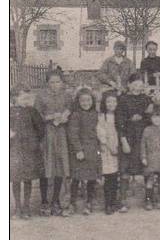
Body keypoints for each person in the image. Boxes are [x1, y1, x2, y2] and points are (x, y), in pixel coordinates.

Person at [35, 69, 73, 216]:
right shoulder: (41, 96)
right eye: (52, 82)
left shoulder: (67, 95)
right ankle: (44, 201)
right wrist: (51, 116)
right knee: (47, 166)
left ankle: (56, 200)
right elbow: (37, 115)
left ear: (62, 83)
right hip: (47, 134)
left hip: (62, 133)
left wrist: (65, 115)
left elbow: (71, 109)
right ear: (47, 83)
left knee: (59, 166)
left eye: (58, 82)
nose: (55, 85)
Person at [115, 73, 153, 212]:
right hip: (129, 138)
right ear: (129, 85)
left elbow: (152, 119)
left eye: (140, 85)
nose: (138, 87)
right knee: (125, 170)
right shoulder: (122, 99)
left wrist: (144, 115)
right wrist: (123, 140)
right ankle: (123, 200)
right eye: (135, 84)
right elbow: (119, 122)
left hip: (143, 138)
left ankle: (149, 199)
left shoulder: (147, 99)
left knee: (146, 169)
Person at [10, 85, 45, 219]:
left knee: (28, 178)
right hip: (15, 150)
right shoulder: (9, 112)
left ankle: (26, 207)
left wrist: (34, 141)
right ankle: (17, 207)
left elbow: (41, 129)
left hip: (30, 150)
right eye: (23, 98)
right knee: (15, 179)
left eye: (28, 98)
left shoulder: (32, 111)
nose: (26, 100)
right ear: (14, 98)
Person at [67, 87, 100, 215]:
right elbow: (72, 134)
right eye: (83, 101)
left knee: (92, 177)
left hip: (92, 149)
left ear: (92, 101)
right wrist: (78, 150)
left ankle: (89, 203)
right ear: (78, 102)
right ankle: (72, 203)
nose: (86, 103)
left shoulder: (95, 114)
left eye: (88, 100)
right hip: (80, 151)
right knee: (76, 177)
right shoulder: (76, 115)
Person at [141, 106, 160, 210]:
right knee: (150, 180)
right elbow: (143, 145)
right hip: (151, 158)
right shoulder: (147, 130)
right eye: (154, 117)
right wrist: (143, 157)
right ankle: (149, 200)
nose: (157, 119)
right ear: (150, 118)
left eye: (159, 117)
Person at [97, 90, 120, 215]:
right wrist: (108, 145)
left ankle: (114, 201)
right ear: (104, 103)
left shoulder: (119, 115)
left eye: (114, 101)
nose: (111, 104)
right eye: (108, 101)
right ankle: (108, 203)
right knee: (108, 176)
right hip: (107, 149)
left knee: (115, 176)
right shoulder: (102, 116)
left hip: (117, 148)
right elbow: (100, 132)